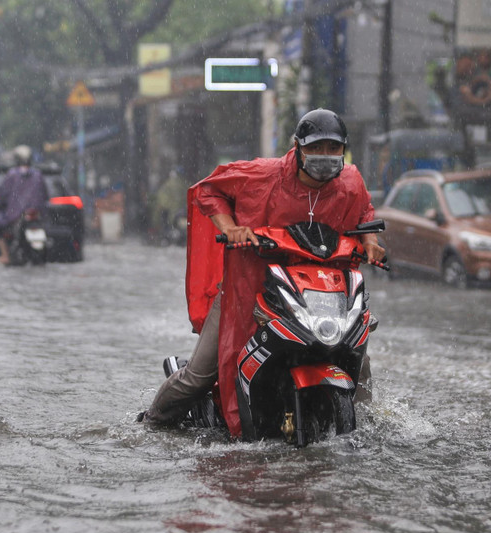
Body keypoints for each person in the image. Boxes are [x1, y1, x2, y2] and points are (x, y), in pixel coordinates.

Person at [141, 108, 385, 438]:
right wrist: (231, 228)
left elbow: (365, 212)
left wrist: (370, 241)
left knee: (358, 356)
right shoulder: (260, 175)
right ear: (297, 148)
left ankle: (364, 427)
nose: (325, 157)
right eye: (316, 148)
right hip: (249, 287)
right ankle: (152, 423)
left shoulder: (351, 182)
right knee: (201, 374)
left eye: (333, 149)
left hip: (321, 292)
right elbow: (208, 190)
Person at [0, 145, 49, 265]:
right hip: (37, 214)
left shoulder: (12, 174)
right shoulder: (38, 174)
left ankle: (5, 255)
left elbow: (3, 195)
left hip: (15, 215)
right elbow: (45, 195)